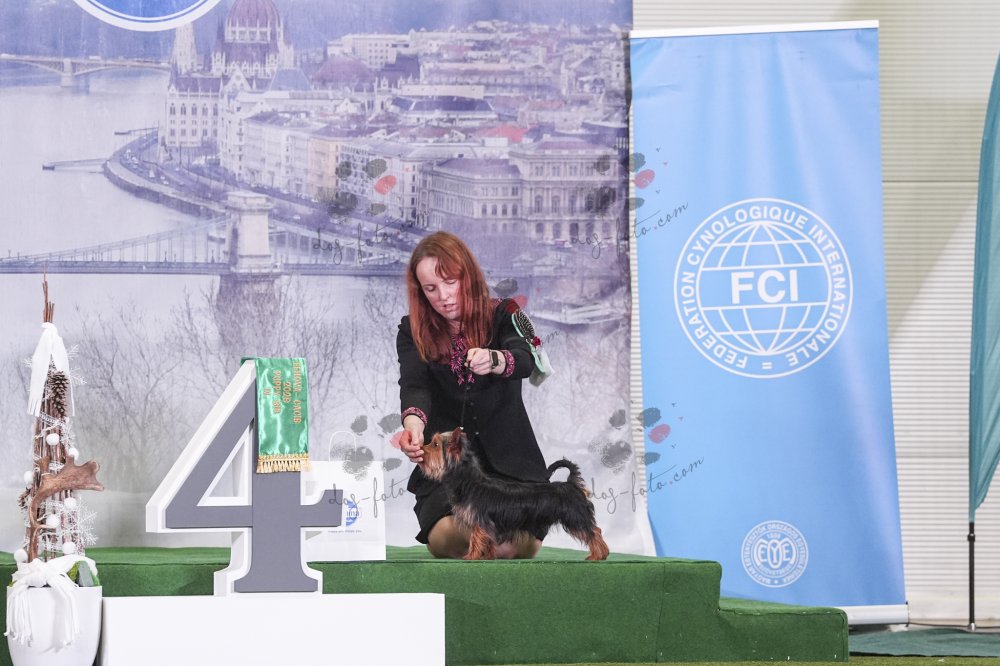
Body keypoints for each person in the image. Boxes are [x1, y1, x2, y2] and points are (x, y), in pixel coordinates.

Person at [397, 230, 549, 559]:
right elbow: (414, 386)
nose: (443, 296)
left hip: (514, 471)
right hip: (450, 473)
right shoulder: (411, 330)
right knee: (447, 538)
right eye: (431, 288)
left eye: (450, 282)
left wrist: (495, 360)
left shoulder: (506, 314)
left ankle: (493, 545)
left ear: (467, 276)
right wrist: (414, 427)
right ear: (420, 291)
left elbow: (525, 360)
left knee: (517, 542)